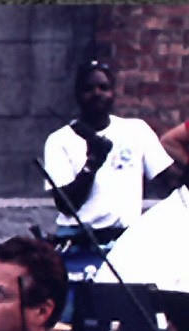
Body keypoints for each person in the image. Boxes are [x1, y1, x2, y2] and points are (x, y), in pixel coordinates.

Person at [43, 60, 177, 287]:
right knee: (75, 318)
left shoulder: (136, 131)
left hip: (124, 247)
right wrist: (92, 163)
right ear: (77, 94)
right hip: (79, 245)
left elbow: (169, 183)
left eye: (104, 87)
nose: (97, 94)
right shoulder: (59, 140)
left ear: (114, 92)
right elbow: (66, 204)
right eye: (89, 89)